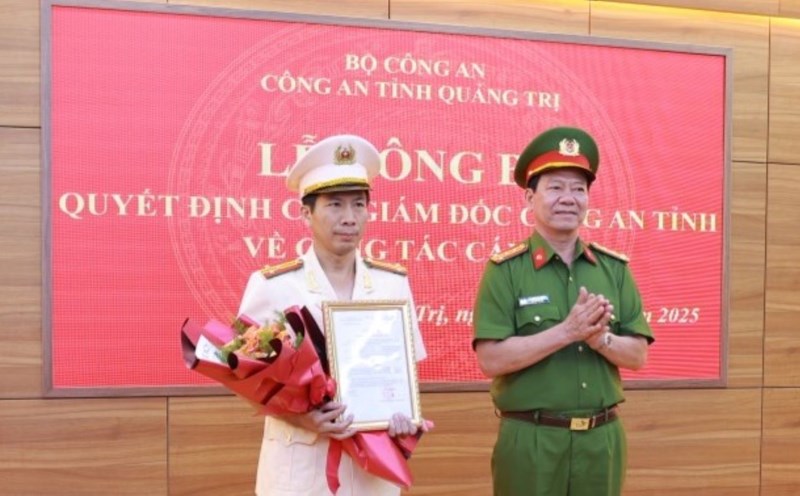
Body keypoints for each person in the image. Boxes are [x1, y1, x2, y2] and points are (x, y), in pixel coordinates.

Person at [237, 134, 428, 496]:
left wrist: (403, 417)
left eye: (359, 205)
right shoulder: (272, 285)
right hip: (300, 470)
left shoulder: (392, 285)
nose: (349, 218)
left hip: (373, 470)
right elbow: (245, 380)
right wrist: (299, 416)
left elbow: (405, 375)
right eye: (335, 205)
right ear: (305, 213)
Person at [472, 126, 654, 496]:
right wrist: (566, 332)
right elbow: (490, 360)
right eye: (555, 187)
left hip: (602, 440)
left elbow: (637, 355)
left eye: (578, 188)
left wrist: (599, 338)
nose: (568, 198)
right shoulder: (506, 270)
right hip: (532, 441)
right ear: (529, 197)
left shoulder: (613, 269)